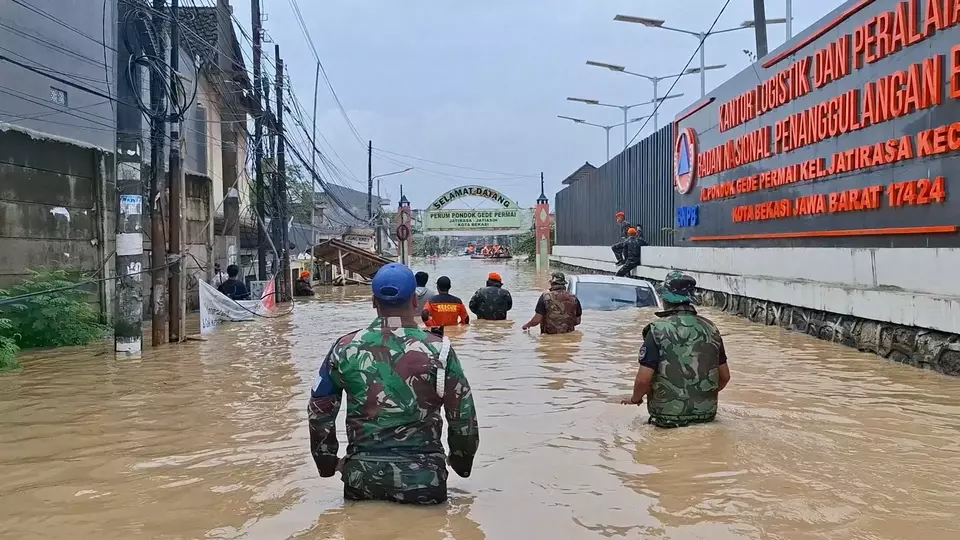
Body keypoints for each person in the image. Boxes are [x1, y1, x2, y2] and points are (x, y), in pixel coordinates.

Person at [308, 263, 479, 504]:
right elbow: (463, 415)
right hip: (424, 478)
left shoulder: (344, 348)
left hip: (361, 477)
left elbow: (319, 413)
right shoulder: (440, 350)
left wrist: (327, 464)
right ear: (414, 302)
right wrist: (461, 463)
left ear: (373, 302)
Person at [620, 271, 731, 428]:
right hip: (707, 417)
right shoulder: (711, 329)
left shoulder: (657, 330)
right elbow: (725, 376)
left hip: (666, 420)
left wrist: (635, 399)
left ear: (665, 298)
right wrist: (701, 398)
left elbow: (643, 379)